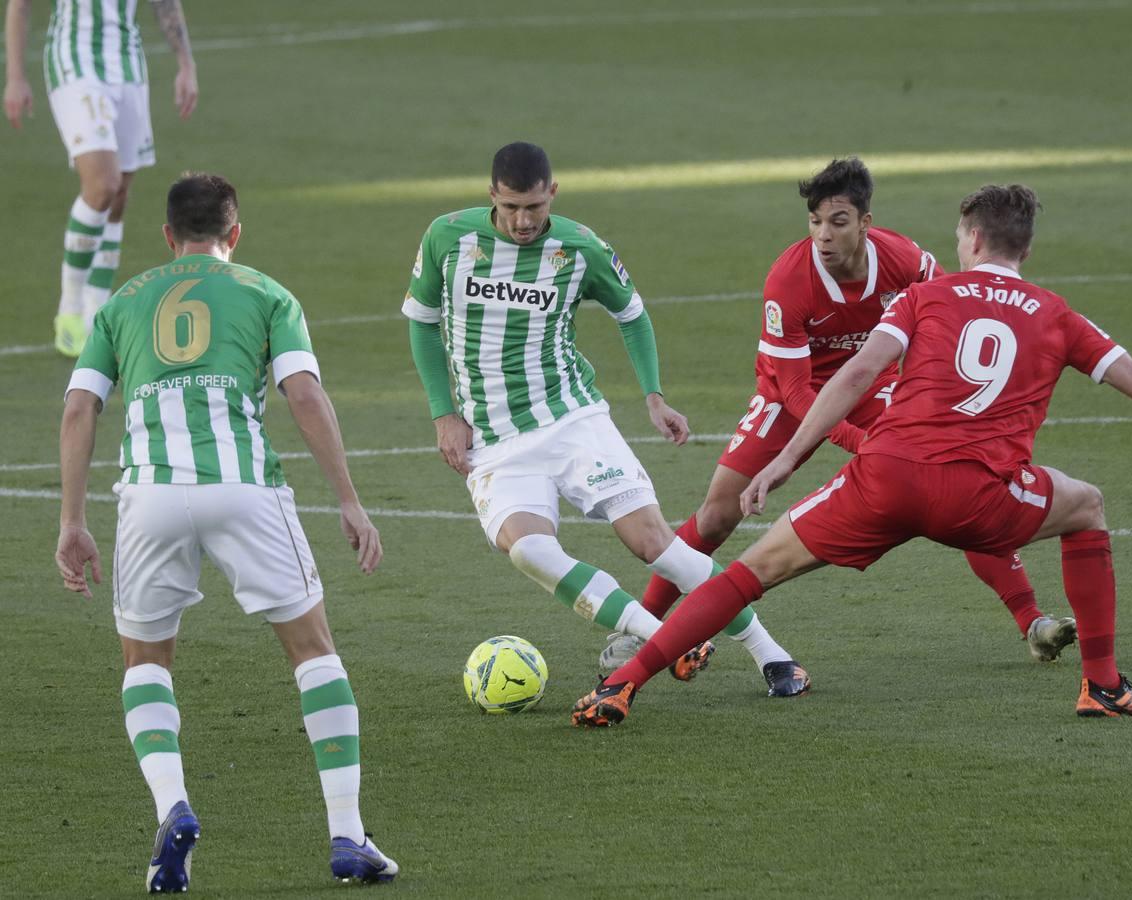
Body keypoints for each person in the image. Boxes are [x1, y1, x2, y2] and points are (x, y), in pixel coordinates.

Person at [573, 183, 1132, 727]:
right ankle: (1101, 684)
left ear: (973, 239)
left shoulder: (927, 296)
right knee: (1086, 505)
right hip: (984, 500)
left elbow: (855, 374)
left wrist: (787, 459)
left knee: (751, 571)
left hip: (882, 480)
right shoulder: (1057, 314)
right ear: (1022, 247)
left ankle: (624, 683)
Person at [54, 174, 398, 890]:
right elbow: (303, 395)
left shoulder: (121, 302)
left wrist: (71, 520)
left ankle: (172, 806)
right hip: (244, 489)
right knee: (312, 651)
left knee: (145, 662)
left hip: (148, 495)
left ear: (167, 235)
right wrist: (349, 500)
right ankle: (345, 835)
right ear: (232, 235)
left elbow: (78, 410)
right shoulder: (267, 293)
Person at [639, 158, 1076, 669]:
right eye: (815, 222)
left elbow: (949, 320)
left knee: (957, 478)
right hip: (790, 395)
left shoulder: (907, 260)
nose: (824, 235)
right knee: (718, 515)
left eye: (838, 221)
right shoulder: (789, 280)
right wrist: (863, 443)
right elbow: (800, 393)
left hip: (871, 385)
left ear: (865, 223)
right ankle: (643, 629)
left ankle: (1032, 621)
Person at [404, 141, 806, 694]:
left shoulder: (580, 248)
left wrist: (654, 395)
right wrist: (442, 412)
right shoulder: (448, 237)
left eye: (536, 208)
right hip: (495, 441)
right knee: (529, 550)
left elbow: (632, 315)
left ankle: (772, 655)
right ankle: (661, 634)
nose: (524, 221)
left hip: (572, 420)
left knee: (654, 543)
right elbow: (422, 323)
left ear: (554, 195)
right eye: (512, 207)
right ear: (492, 195)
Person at [4, 0, 198, 357]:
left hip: (127, 63)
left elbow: (164, 3)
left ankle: (98, 313)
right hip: (74, 62)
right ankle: (70, 309)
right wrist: (15, 77)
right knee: (102, 185)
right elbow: (20, 5)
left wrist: (186, 65)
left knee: (120, 193)